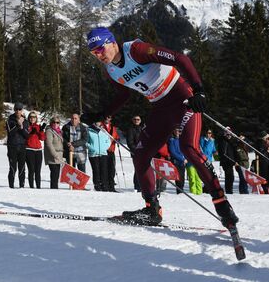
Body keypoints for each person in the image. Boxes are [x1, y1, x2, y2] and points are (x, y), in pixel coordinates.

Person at [83, 27, 238, 227]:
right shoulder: (112, 71)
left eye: (100, 49)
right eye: (93, 53)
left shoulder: (136, 50)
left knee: (188, 148)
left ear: (112, 42)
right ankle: (152, 209)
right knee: (140, 154)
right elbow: (124, 95)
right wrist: (101, 114)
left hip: (184, 100)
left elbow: (179, 58)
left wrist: (199, 90)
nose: (98, 55)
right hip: (160, 109)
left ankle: (221, 202)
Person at [168, 125, 202, 194]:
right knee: (179, 178)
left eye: (179, 131)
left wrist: (185, 158)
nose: (178, 132)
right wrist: (182, 159)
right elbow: (173, 152)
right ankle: (179, 192)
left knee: (182, 178)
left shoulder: (182, 140)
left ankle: (182, 191)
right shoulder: (172, 140)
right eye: (176, 131)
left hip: (183, 162)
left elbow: (186, 150)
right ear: (174, 131)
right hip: (177, 161)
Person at [6, 103, 29, 188]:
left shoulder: (25, 121)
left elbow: (27, 135)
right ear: (14, 110)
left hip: (22, 146)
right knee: (13, 167)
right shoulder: (10, 120)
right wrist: (17, 125)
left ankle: (21, 186)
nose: (18, 111)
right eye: (16, 109)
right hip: (12, 147)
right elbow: (10, 133)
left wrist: (22, 127)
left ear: (22, 110)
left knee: (22, 168)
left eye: (20, 109)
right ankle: (11, 186)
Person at [87, 121, 111, 191]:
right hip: (93, 154)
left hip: (103, 153)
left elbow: (108, 141)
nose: (98, 122)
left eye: (99, 121)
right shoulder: (89, 130)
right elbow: (86, 141)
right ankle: (97, 185)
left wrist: (105, 147)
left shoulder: (104, 130)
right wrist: (92, 148)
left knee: (104, 170)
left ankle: (104, 185)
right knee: (96, 170)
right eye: (96, 121)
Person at [25, 112, 46, 189]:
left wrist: (41, 130)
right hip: (29, 150)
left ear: (36, 118)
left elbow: (42, 138)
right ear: (28, 118)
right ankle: (31, 187)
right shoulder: (26, 126)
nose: (32, 118)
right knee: (31, 169)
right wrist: (31, 133)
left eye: (34, 117)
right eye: (31, 117)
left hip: (38, 150)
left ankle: (38, 187)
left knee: (38, 170)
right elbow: (25, 137)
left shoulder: (38, 126)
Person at [44, 116, 64, 189]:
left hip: (59, 156)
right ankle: (53, 189)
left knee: (56, 175)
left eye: (57, 122)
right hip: (52, 156)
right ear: (51, 123)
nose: (55, 124)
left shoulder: (60, 131)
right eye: (54, 122)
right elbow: (49, 144)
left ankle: (55, 188)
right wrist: (55, 155)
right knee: (54, 174)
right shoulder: (49, 131)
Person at [102, 115, 120, 192]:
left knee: (112, 169)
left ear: (111, 119)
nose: (107, 118)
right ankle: (105, 186)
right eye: (106, 117)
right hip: (103, 151)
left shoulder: (113, 128)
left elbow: (117, 137)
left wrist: (117, 140)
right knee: (104, 169)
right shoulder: (101, 126)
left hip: (111, 151)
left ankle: (112, 186)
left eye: (109, 117)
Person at [126, 115, 144, 191]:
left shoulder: (142, 129)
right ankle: (137, 186)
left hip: (144, 152)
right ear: (132, 120)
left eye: (138, 119)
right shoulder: (130, 129)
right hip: (136, 152)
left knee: (143, 169)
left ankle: (143, 185)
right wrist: (136, 150)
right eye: (135, 119)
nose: (136, 121)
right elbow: (130, 143)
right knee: (138, 169)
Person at [217, 128, 236, 194]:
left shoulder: (230, 141)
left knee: (230, 177)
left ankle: (229, 190)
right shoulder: (223, 141)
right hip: (226, 162)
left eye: (230, 134)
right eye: (227, 134)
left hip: (230, 162)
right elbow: (223, 153)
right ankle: (229, 190)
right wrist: (233, 161)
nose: (229, 136)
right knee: (229, 176)